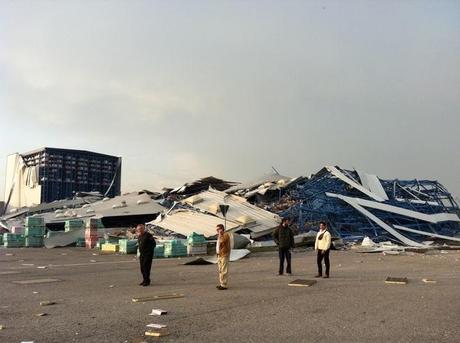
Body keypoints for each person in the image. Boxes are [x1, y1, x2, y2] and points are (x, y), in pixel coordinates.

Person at [216, 224, 231, 290]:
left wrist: (220, 234)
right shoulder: (219, 236)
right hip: (219, 255)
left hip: (224, 254)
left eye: (218, 229)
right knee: (220, 270)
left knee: (224, 270)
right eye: (216, 229)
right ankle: (221, 283)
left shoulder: (225, 235)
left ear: (221, 229)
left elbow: (222, 241)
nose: (217, 231)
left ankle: (224, 285)